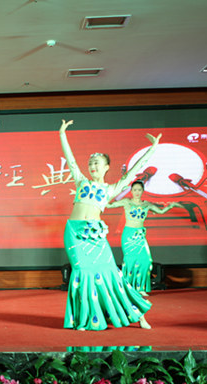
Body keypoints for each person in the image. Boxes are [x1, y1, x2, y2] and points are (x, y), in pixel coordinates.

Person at [59, 119, 158, 330]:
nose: (92, 166)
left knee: (111, 274)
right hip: (74, 233)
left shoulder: (111, 189)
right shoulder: (81, 181)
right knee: (82, 273)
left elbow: (135, 170)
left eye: (97, 163)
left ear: (106, 167)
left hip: (95, 235)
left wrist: (152, 149)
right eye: (90, 163)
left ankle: (138, 314)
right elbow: (71, 159)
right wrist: (62, 134)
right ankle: (85, 318)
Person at [107, 180, 182, 296]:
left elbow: (160, 211)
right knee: (130, 261)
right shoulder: (126, 202)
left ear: (143, 191)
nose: (137, 192)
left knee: (146, 261)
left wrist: (171, 205)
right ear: (131, 191)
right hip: (129, 236)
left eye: (139, 190)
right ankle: (128, 288)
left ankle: (140, 287)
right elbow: (108, 205)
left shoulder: (146, 204)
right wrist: (116, 192)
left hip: (140, 235)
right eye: (135, 190)